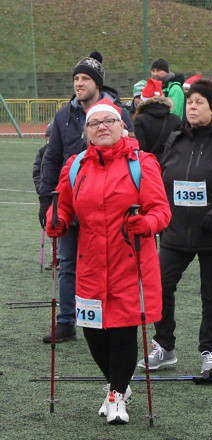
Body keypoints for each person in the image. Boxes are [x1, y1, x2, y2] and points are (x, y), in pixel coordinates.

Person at [45, 99, 170, 424]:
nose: (102, 127)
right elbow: (64, 205)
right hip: (89, 263)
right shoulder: (75, 166)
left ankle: (116, 396)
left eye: (109, 121)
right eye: (94, 123)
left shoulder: (142, 163)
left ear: (122, 126)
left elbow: (161, 211)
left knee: (123, 331)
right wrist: (56, 218)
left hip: (130, 262)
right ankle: (121, 386)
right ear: (86, 131)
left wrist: (146, 223)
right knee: (93, 330)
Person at [138, 79, 212, 373]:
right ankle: (164, 346)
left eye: (200, 102)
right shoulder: (176, 139)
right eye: (190, 102)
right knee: (160, 285)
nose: (192, 107)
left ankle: (210, 352)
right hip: (176, 230)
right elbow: (161, 178)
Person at [38, 50, 134, 343]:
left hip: (107, 204)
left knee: (108, 265)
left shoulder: (118, 113)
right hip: (70, 201)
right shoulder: (63, 116)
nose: (79, 83)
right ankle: (66, 321)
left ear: (98, 83)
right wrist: (46, 200)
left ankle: (108, 319)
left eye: (85, 79)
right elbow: (52, 158)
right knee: (67, 264)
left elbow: (133, 154)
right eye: (76, 78)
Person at [132, 78, 182, 164]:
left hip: (150, 165)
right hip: (171, 164)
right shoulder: (176, 119)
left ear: (143, 101)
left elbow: (141, 148)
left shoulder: (140, 120)